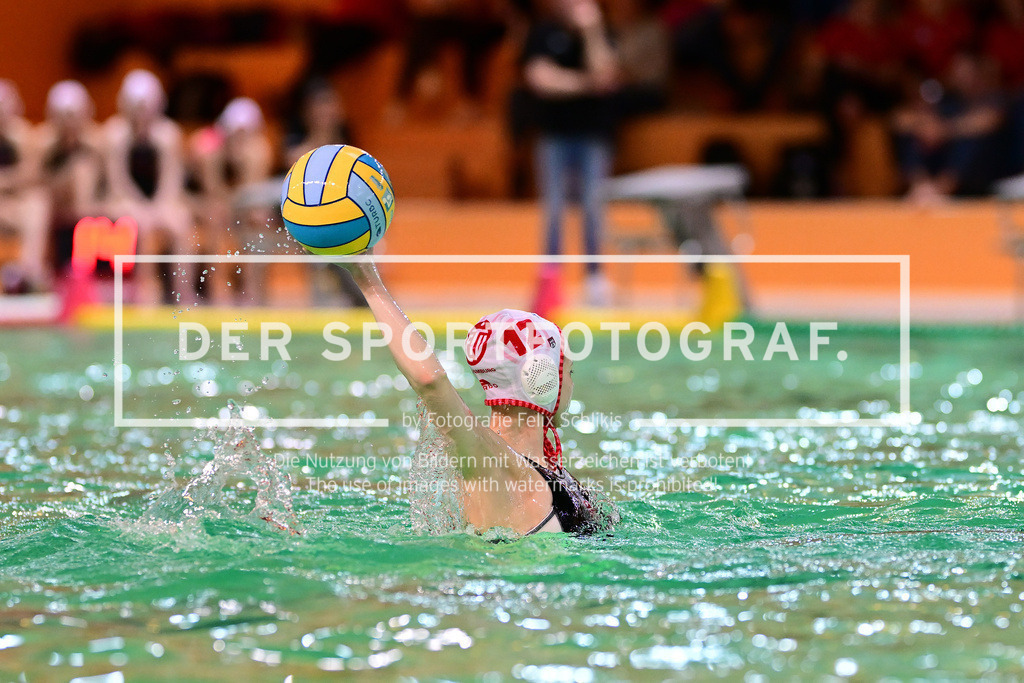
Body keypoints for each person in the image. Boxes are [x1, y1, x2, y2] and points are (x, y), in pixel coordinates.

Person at [339, 252, 614, 535]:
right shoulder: (496, 467)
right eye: (569, 372)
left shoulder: (539, 468)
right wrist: (367, 278)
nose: (571, 383)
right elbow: (429, 380)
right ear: (542, 378)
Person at [521, 0, 619, 314]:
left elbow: (605, 75)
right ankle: (551, 279)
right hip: (554, 136)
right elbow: (540, 79)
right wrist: (587, 83)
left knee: (593, 206)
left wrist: (592, 31)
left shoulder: (602, 32)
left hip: (593, 136)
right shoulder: (542, 33)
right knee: (554, 209)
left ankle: (595, 277)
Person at [104, 69, 192, 304]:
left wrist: (159, 207)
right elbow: (118, 182)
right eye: (136, 108)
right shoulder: (115, 134)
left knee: (180, 222)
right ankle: (146, 292)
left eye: (146, 108)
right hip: (123, 200)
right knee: (140, 224)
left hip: (160, 201)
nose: (141, 114)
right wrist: (142, 207)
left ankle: (183, 292)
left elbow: (171, 180)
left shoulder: (168, 134)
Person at [189, 97, 274, 304]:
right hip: (197, 201)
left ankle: (252, 289)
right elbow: (212, 192)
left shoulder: (259, 150)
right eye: (235, 133)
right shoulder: (207, 148)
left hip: (237, 204)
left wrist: (246, 163)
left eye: (244, 135)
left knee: (258, 219)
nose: (239, 140)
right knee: (216, 215)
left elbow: (252, 196)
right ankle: (217, 286)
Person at [37, 80, 106, 279]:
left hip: (88, 209)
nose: (69, 123)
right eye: (63, 117)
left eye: (74, 116)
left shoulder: (97, 143)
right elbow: (35, 182)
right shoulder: (42, 144)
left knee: (82, 170)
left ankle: (83, 263)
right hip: (54, 206)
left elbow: (106, 184)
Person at [0, 80, 48, 293]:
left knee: (37, 202)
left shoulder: (25, 136)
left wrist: (6, 182)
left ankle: (29, 273)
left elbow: (31, 175)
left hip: (13, 205)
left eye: (4, 106)